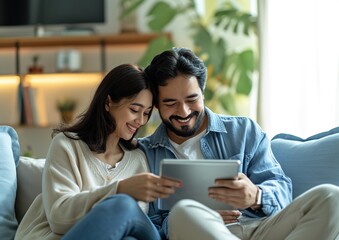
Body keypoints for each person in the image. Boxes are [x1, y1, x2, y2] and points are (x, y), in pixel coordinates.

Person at [139, 47, 339, 239]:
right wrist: (203, 215)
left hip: (260, 229)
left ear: (203, 92)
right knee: (181, 213)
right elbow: (151, 224)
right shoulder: (145, 153)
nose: (184, 112)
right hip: (199, 233)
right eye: (170, 103)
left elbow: (282, 189)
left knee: (331, 197)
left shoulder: (244, 131)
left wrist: (256, 197)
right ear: (156, 104)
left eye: (192, 99)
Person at [15, 64, 180, 240]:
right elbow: (59, 217)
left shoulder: (138, 158)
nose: (140, 120)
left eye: (146, 113)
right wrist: (120, 189)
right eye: (134, 110)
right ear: (108, 102)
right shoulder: (67, 145)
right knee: (123, 204)